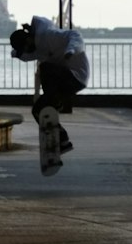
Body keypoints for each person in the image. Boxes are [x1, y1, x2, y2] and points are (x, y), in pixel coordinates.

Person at [9, 15, 90, 151]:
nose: (29, 52)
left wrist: (71, 50)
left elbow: (75, 35)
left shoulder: (49, 36)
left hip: (76, 77)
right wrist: (16, 54)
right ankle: (63, 141)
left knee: (45, 67)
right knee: (38, 110)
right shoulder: (37, 49)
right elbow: (25, 56)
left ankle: (53, 102)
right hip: (63, 82)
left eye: (27, 48)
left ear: (29, 39)